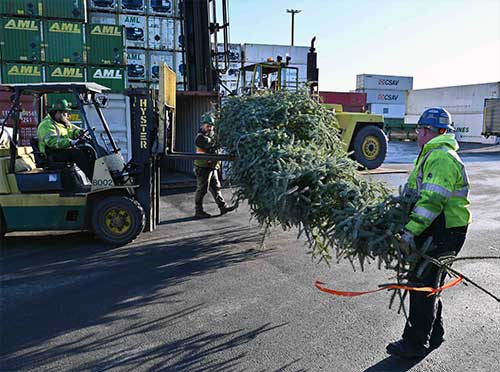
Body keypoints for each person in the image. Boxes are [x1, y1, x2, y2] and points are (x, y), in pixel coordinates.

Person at [386, 108, 471, 359]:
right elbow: (417, 194)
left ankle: (414, 343)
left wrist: (410, 232)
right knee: (429, 282)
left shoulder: (442, 157)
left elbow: (431, 202)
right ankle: (435, 333)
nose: (418, 133)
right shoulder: (432, 154)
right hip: (439, 228)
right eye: (419, 129)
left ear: (436, 132)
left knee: (421, 283)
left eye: (422, 129)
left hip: (444, 231)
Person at [193, 113, 236, 218]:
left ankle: (223, 207)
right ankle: (198, 211)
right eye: (208, 126)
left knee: (216, 187)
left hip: (212, 167)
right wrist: (220, 140)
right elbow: (211, 145)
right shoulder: (200, 138)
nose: (210, 128)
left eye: (211, 126)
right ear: (203, 125)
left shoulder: (212, 135)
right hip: (203, 167)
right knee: (202, 189)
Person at [37, 99, 93, 179]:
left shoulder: (62, 123)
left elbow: (71, 131)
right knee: (76, 153)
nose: (67, 115)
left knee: (87, 150)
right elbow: (52, 142)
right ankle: (93, 178)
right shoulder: (46, 125)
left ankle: (97, 176)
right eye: (65, 112)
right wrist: (70, 142)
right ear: (58, 112)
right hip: (51, 154)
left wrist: (79, 132)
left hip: (61, 150)